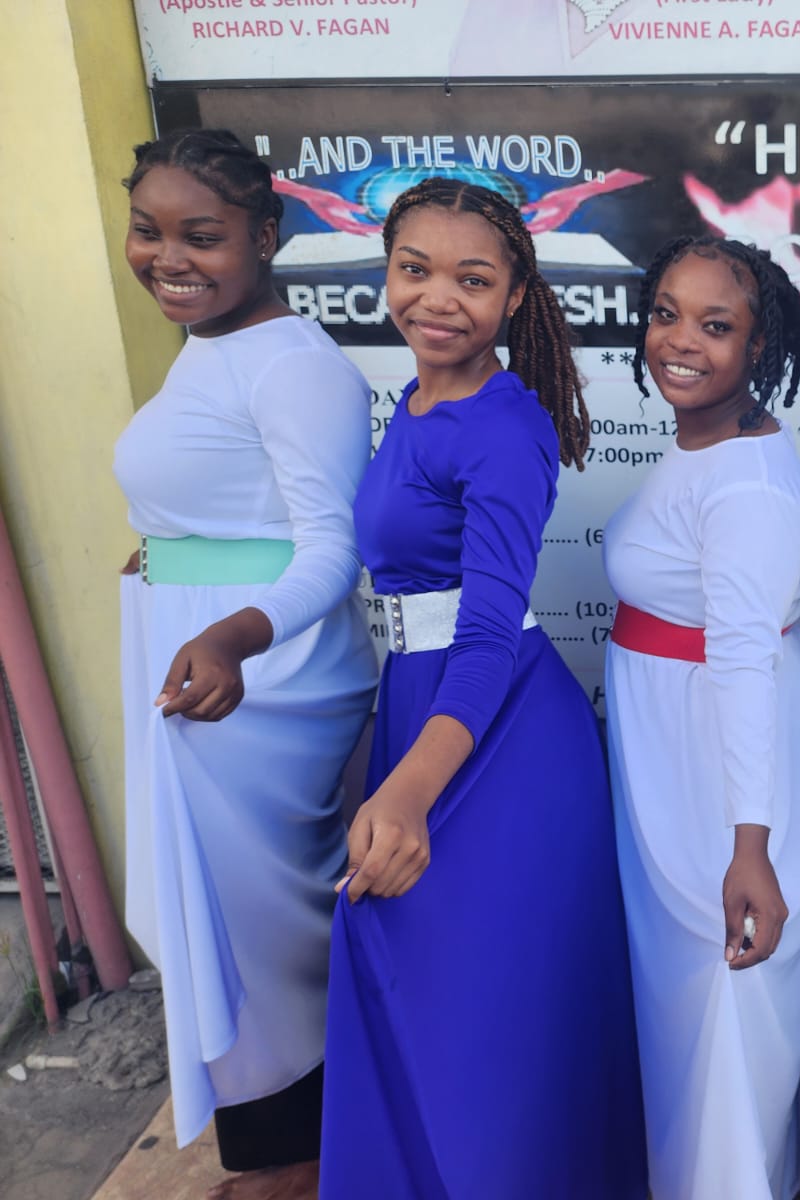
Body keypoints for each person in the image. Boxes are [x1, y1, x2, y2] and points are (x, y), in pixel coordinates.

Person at [318, 178, 647, 1199]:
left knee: (487, 1014)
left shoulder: (505, 428)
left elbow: (489, 628)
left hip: (495, 736)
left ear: (514, 296)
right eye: (413, 269)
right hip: (424, 705)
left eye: (472, 279)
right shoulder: (418, 402)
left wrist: (410, 788)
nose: (437, 297)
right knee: (430, 989)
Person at [114, 128, 379, 1200]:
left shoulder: (294, 363)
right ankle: (275, 1157)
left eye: (202, 235)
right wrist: (163, 555)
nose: (168, 258)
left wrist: (230, 632)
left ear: (266, 237)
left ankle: (300, 1166)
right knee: (218, 928)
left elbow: (332, 548)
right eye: (147, 231)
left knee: (261, 940)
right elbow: (227, 498)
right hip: (202, 666)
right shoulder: (211, 342)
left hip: (261, 688)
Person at [604, 235, 800, 1200]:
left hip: (724, 755)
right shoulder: (709, 444)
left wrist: (752, 847)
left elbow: (742, 660)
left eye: (715, 324)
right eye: (665, 314)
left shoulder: (746, 484)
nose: (680, 341)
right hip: (680, 743)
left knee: (723, 990)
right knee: (693, 1001)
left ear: (758, 342)